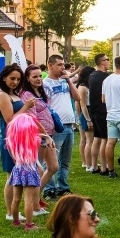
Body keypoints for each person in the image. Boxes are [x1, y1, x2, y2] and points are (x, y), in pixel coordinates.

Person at [0, 64, 37, 222]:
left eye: (18, 79)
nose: (15, 82)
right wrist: (26, 106)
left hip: (21, 140)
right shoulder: (2, 95)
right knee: (12, 176)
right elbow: (10, 120)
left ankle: (23, 207)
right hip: (9, 140)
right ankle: (10, 212)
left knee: (21, 174)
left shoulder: (12, 93)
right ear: (4, 77)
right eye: (12, 78)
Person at [18, 64, 58, 204]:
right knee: (37, 171)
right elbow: (32, 119)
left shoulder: (40, 92)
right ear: (27, 79)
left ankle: (37, 197)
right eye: (34, 76)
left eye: (40, 76)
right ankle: (33, 201)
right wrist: (44, 135)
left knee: (53, 167)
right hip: (39, 137)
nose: (39, 79)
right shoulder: (27, 95)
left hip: (48, 135)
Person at [42, 54, 81, 196]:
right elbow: (44, 107)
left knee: (65, 161)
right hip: (56, 126)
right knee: (51, 161)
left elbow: (77, 98)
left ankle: (63, 187)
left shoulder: (65, 81)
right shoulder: (45, 84)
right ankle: (49, 189)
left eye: (63, 65)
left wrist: (69, 82)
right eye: (59, 65)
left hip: (70, 125)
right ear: (50, 65)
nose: (62, 68)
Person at [6, 113, 49, 230]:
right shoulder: (35, 140)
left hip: (17, 170)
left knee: (16, 199)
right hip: (30, 170)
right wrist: (47, 136)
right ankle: (29, 225)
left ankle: (15, 221)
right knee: (28, 199)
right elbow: (43, 136)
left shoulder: (12, 141)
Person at [88, 53, 111, 176]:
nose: (109, 62)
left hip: (95, 110)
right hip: (102, 110)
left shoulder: (92, 75)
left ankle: (94, 166)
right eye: (107, 60)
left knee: (96, 139)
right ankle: (103, 167)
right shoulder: (104, 76)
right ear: (102, 62)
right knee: (104, 140)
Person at [76, 66, 96, 172]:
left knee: (90, 140)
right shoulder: (82, 87)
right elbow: (82, 105)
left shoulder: (88, 86)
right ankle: (88, 164)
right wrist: (87, 119)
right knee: (88, 140)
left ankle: (90, 162)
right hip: (86, 113)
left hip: (90, 111)